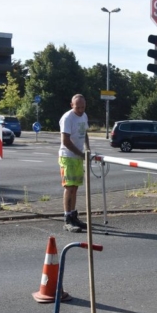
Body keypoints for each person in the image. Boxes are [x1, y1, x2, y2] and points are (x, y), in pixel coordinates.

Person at [58, 94, 90, 233]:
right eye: (78, 107)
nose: (81, 110)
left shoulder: (84, 115)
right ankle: (67, 218)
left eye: (83, 107)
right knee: (69, 187)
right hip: (68, 156)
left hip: (77, 156)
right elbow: (65, 141)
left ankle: (73, 215)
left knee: (75, 187)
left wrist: (87, 148)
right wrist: (81, 153)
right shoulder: (67, 118)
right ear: (72, 105)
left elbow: (85, 132)